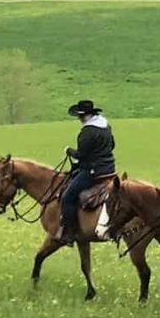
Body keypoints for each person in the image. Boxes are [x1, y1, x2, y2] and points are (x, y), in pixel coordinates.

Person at [57, 99, 115, 244]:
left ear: (86, 115)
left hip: (93, 171)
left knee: (67, 197)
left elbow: (81, 155)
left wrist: (68, 151)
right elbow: (113, 144)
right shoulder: (105, 125)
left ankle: (70, 233)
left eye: (80, 116)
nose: (79, 119)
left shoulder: (87, 132)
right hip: (109, 169)